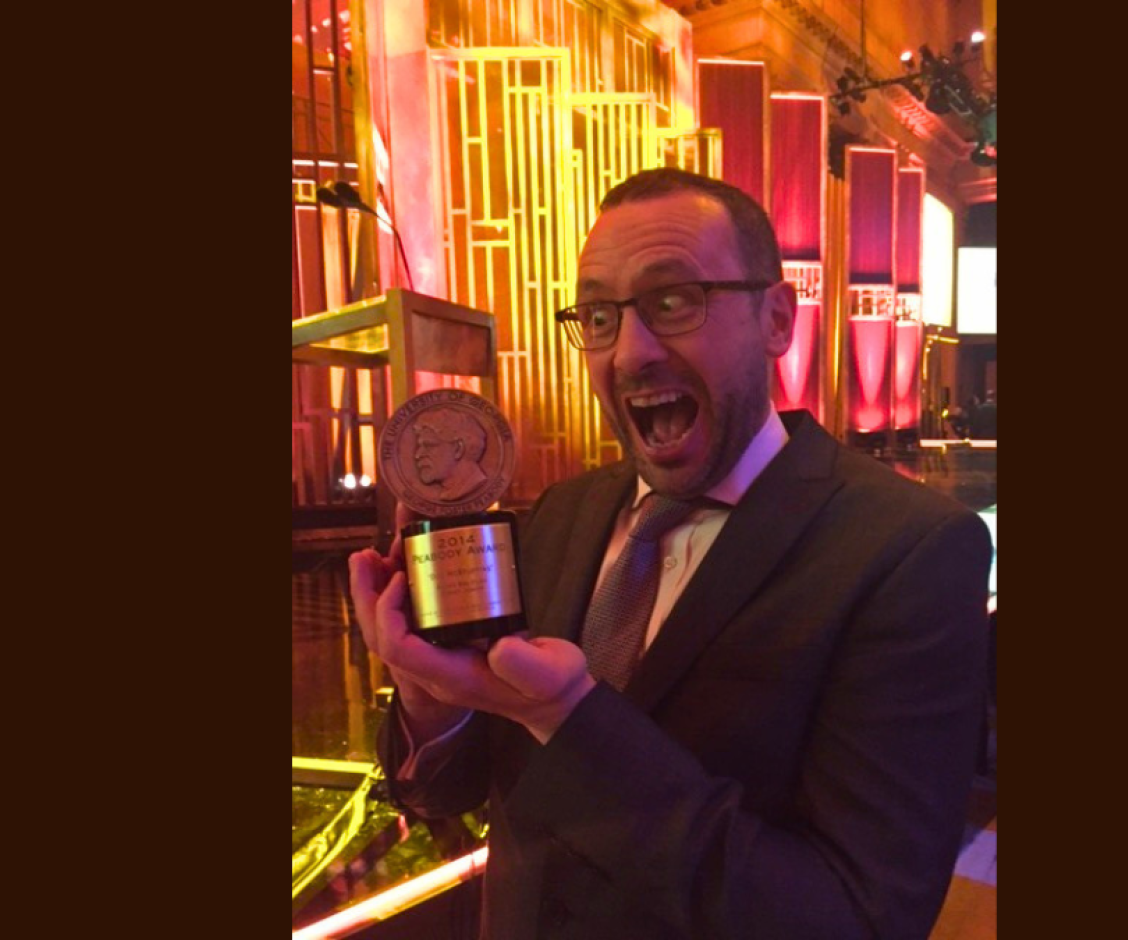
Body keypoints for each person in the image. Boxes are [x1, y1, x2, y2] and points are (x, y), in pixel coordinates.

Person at [349, 168, 992, 940]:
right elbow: (455, 793)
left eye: (673, 301)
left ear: (777, 319)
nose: (628, 353)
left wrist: (569, 719)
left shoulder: (910, 550)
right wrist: (431, 704)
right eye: (597, 315)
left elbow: (857, 918)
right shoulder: (562, 514)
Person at [411, 406, 490, 503]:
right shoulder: (449, 492)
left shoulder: (472, 486)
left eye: (429, 446)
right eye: (420, 446)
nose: (418, 455)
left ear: (458, 449)